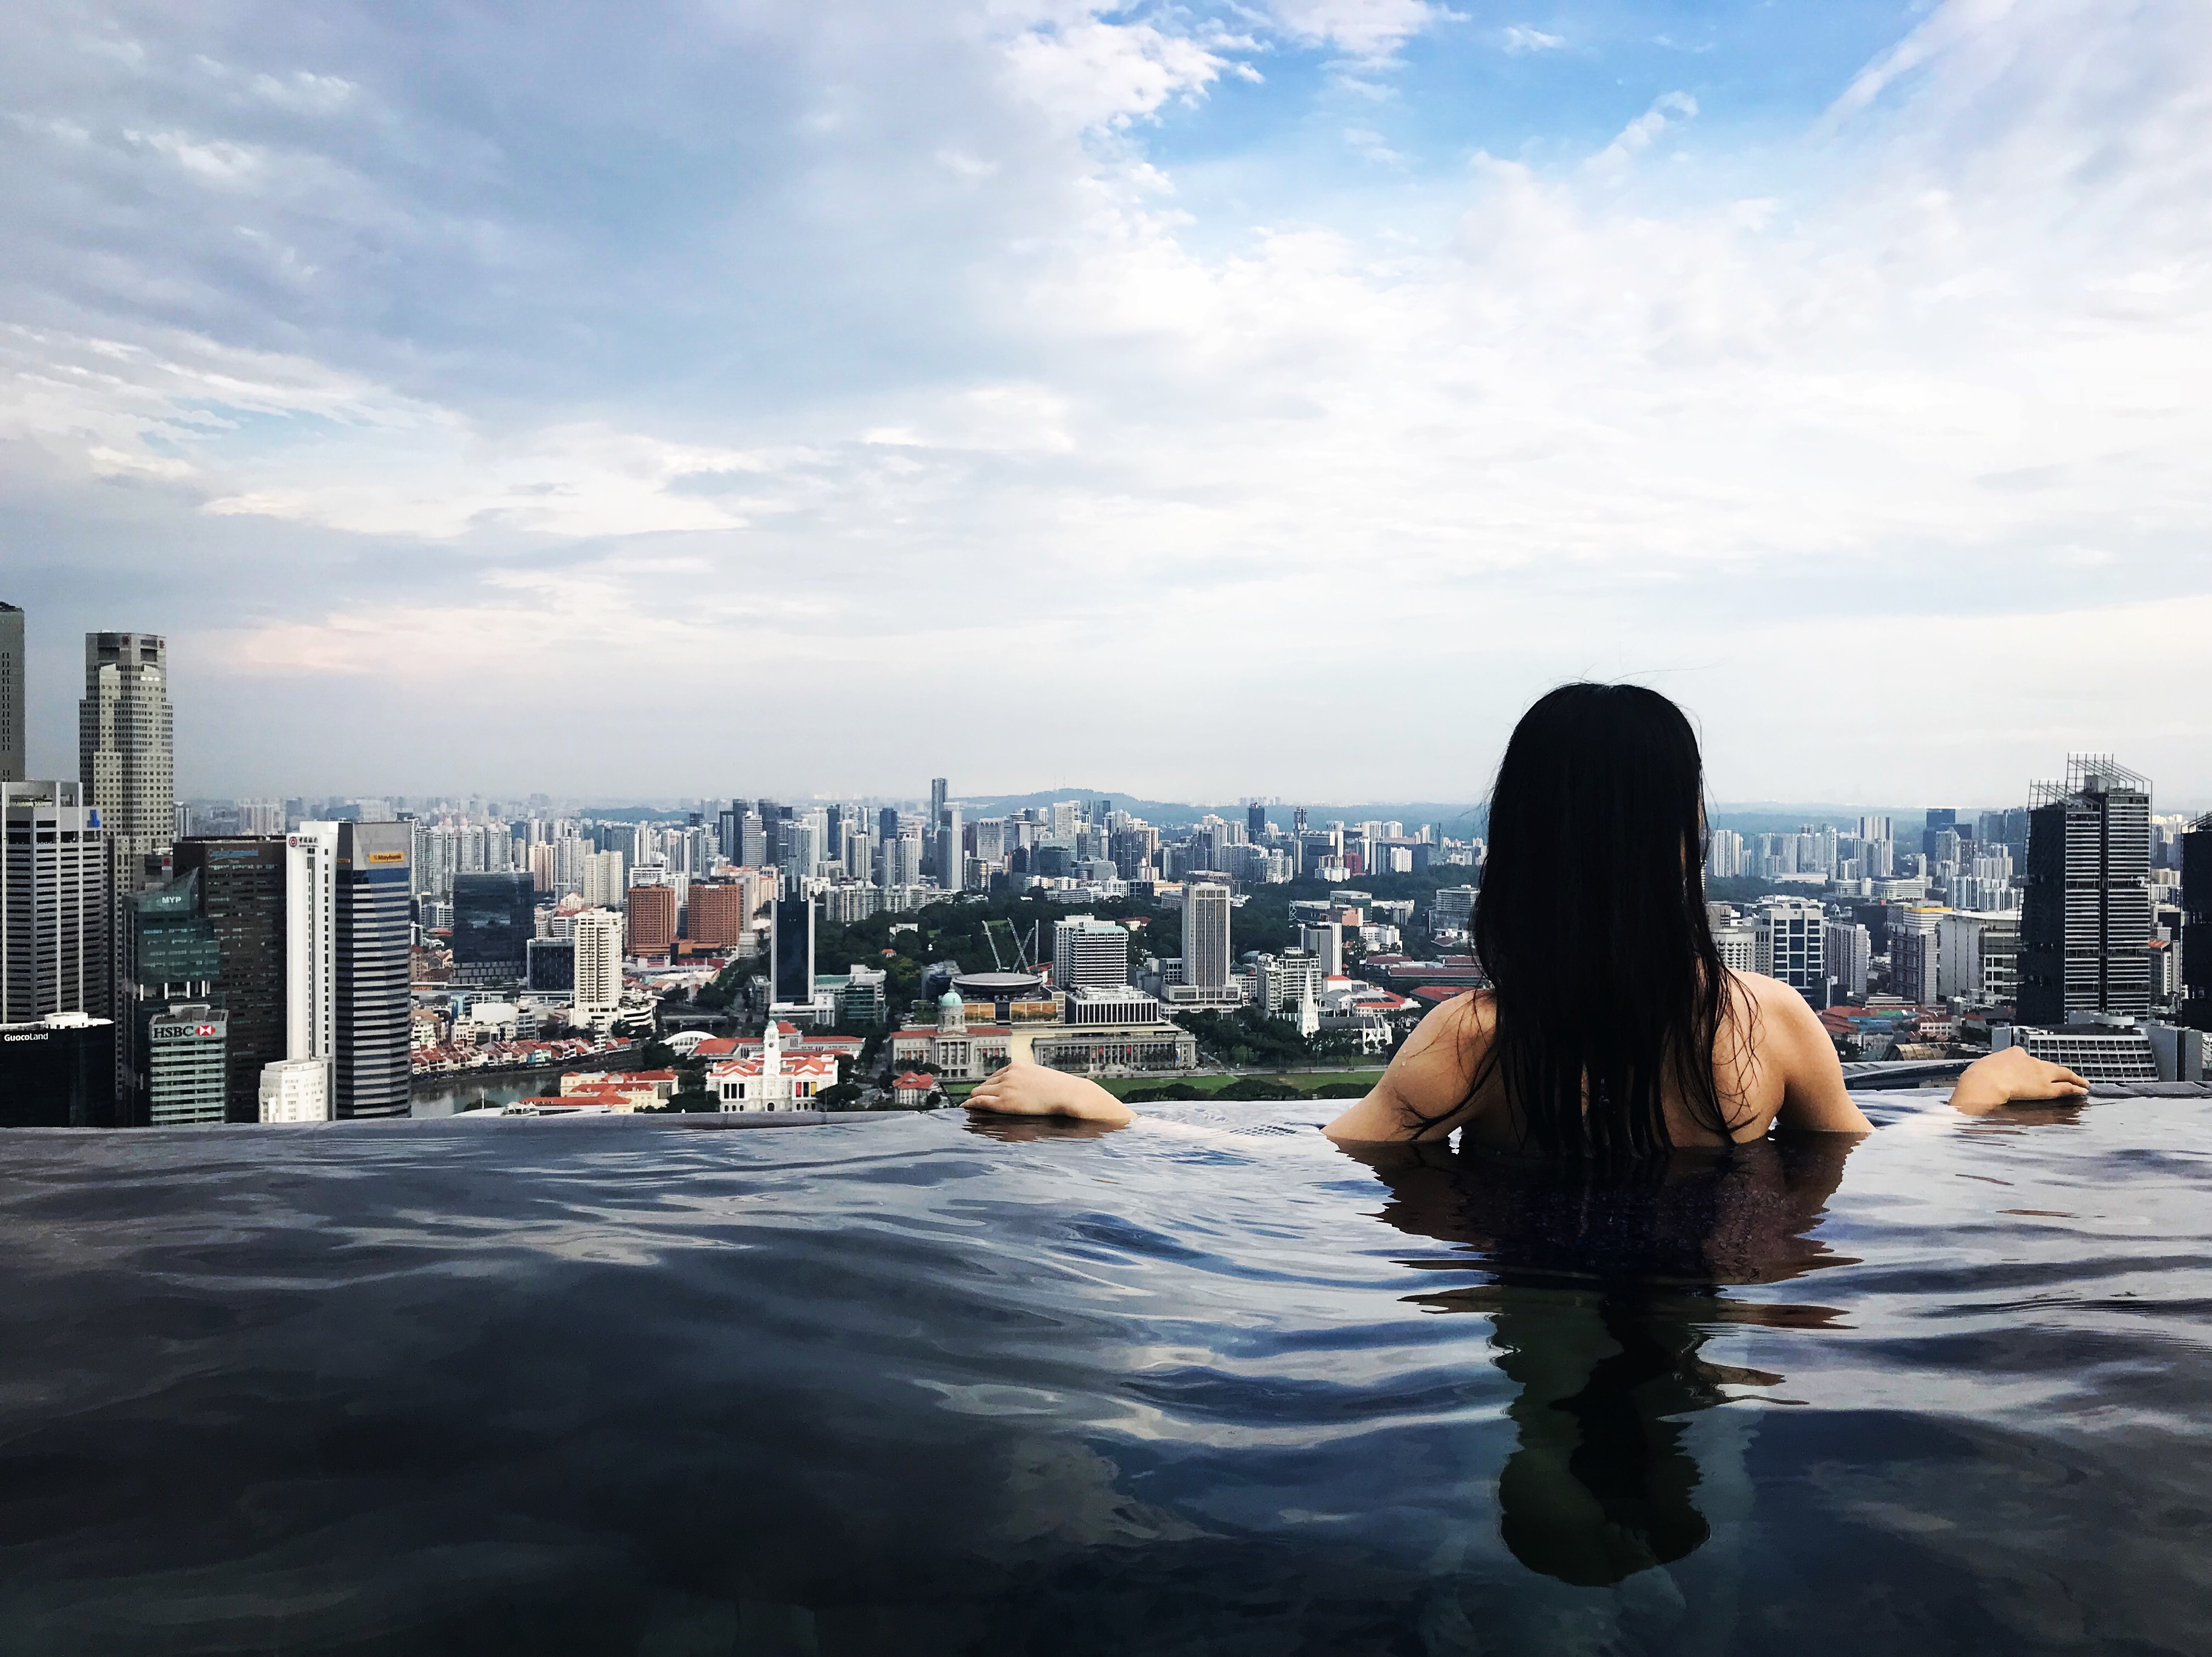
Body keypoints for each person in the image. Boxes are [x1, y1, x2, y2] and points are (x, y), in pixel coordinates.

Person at [966, 682, 2089, 1146]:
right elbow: (1867, 1168)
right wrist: (1970, 1103)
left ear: (1526, 846)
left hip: (1534, 1318)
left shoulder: (1475, 1038)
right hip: (1718, 1325)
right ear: (1688, 839)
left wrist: (1103, 1108)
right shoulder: (1772, 1024)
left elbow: (1296, 1165)